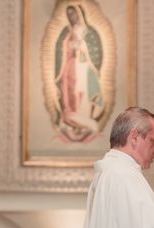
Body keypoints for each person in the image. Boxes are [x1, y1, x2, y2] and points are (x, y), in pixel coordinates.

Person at [55, 5, 104, 141]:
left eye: (74, 14)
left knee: (82, 94)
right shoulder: (69, 34)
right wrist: (60, 74)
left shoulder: (88, 33)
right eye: (69, 15)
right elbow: (65, 53)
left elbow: (91, 53)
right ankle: (75, 122)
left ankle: (85, 121)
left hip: (83, 67)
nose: (72, 17)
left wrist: (82, 49)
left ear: (79, 14)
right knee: (71, 96)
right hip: (70, 68)